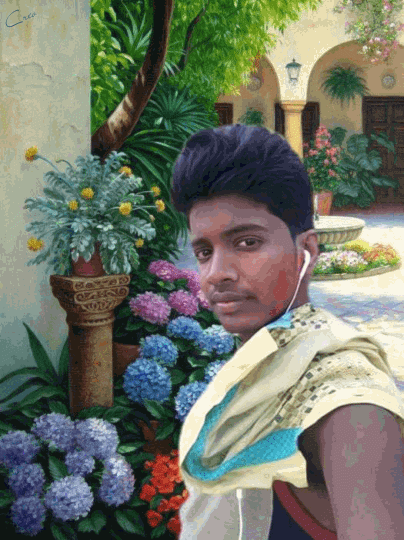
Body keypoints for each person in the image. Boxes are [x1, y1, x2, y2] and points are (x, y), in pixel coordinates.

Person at [170, 124, 404, 539]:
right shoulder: (261, 369)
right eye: (204, 252)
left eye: (246, 243)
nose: (216, 273)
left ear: (306, 252)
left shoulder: (349, 406)